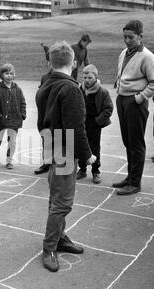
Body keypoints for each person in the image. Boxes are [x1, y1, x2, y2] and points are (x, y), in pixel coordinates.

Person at [35, 41, 96, 272]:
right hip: (65, 149)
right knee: (62, 202)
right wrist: (87, 155)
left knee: (56, 196)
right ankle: (49, 246)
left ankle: (60, 237)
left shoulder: (45, 84)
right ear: (75, 63)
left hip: (52, 145)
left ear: (50, 62)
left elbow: (41, 122)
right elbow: (75, 128)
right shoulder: (70, 88)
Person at [112, 20, 154, 195]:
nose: (127, 40)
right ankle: (130, 176)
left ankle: (135, 183)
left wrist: (140, 97)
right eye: (124, 37)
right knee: (127, 141)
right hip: (122, 100)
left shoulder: (147, 57)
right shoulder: (123, 53)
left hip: (135, 103)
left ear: (140, 37)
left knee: (136, 143)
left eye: (131, 37)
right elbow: (123, 73)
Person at [76, 64, 113, 184]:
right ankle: (82, 169)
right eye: (85, 78)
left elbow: (108, 108)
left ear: (96, 77)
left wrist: (98, 121)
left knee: (94, 148)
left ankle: (96, 171)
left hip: (95, 123)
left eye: (90, 78)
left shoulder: (102, 92)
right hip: (82, 123)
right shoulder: (79, 89)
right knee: (81, 146)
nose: (87, 80)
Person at [34, 68, 53, 175]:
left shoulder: (66, 77)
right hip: (45, 115)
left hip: (58, 115)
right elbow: (41, 95)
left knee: (62, 141)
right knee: (46, 141)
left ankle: (62, 165)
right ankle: (47, 163)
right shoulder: (45, 77)